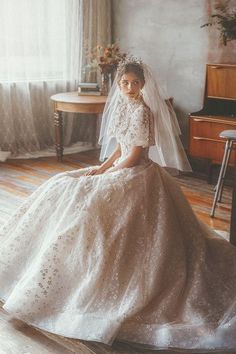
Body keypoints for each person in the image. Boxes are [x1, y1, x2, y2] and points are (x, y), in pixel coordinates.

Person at [0, 57, 236, 351]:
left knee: (87, 200)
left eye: (134, 83)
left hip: (137, 173)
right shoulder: (122, 106)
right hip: (120, 166)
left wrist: (111, 173)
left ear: (143, 84)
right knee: (61, 182)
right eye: (124, 83)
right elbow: (118, 149)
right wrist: (101, 168)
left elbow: (136, 154)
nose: (128, 88)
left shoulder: (143, 112)